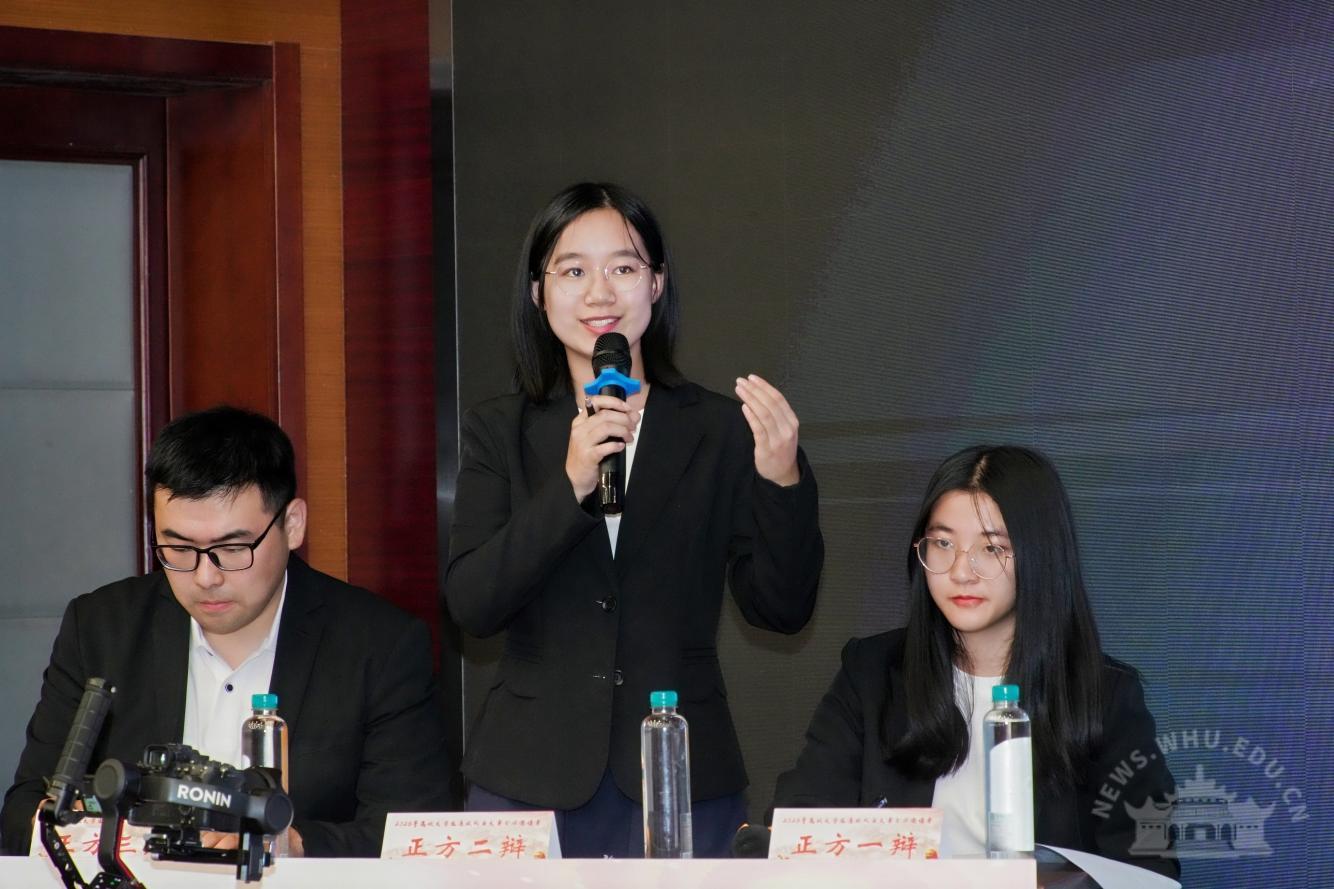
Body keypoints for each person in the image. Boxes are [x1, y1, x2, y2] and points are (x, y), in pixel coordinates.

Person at [444, 182, 824, 858]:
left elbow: (781, 608)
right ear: (537, 293)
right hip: (529, 774)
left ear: (657, 283)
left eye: (622, 267)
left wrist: (782, 481)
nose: (600, 293)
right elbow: (473, 604)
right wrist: (571, 485)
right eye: (572, 271)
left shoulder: (718, 429)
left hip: (683, 771)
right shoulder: (499, 430)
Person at [1, 406, 451, 857]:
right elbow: (25, 809)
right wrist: (106, 838)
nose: (205, 577)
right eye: (178, 547)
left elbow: (408, 838)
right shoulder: (102, 628)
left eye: (233, 548)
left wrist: (290, 846)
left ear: (293, 525)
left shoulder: (379, 646)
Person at [773, 445, 1178, 878]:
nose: (961, 572)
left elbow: (1147, 868)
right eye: (943, 543)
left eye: (991, 548)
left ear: (1040, 555)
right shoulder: (871, 673)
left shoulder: (1104, 695)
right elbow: (803, 820)